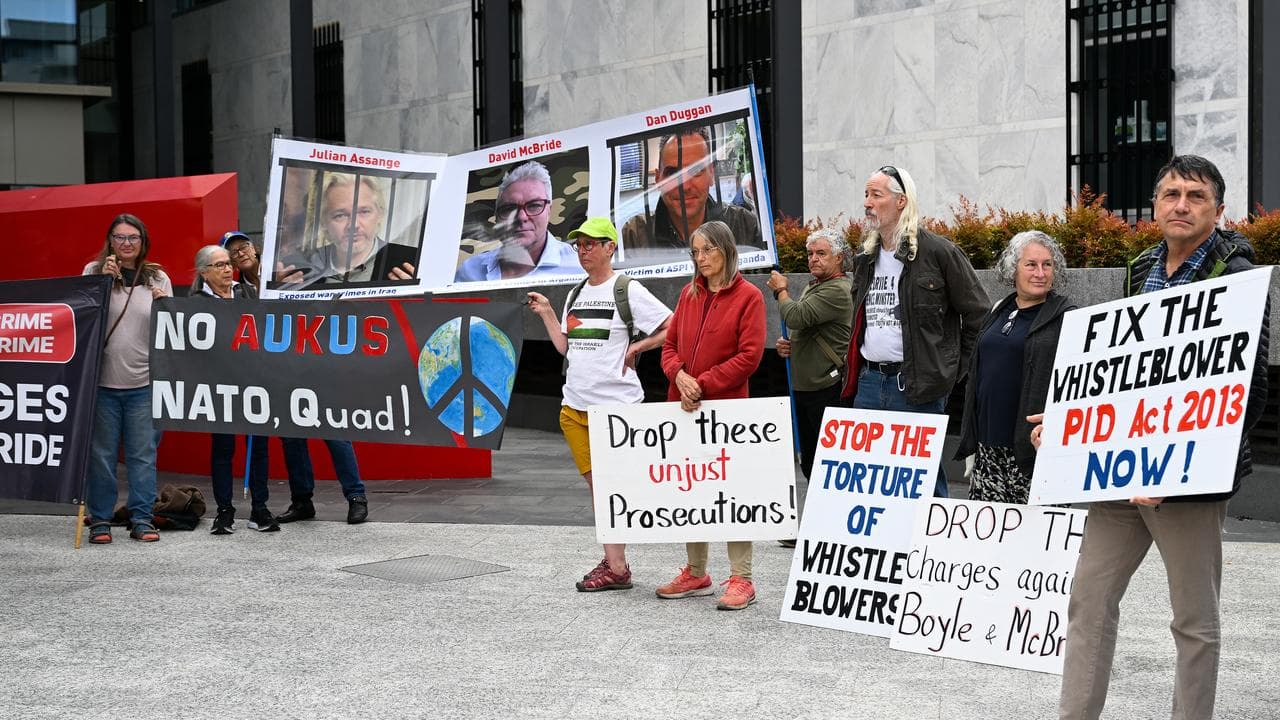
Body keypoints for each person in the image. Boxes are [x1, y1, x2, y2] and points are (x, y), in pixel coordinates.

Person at [1043, 155, 1269, 720]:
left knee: (1193, 621)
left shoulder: (1236, 273)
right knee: (1088, 603)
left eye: (1195, 196)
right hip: (1120, 475)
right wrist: (1069, 424)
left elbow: (1251, 387)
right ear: (1154, 206)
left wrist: (1184, 468)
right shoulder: (1140, 267)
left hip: (1187, 483)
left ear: (1218, 210)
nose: (1181, 205)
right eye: (1171, 194)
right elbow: (1122, 376)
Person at [526, 217, 672, 592]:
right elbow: (565, 347)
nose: (584, 250)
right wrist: (546, 312)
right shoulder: (575, 294)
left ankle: (617, 566)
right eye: (579, 245)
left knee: (610, 488)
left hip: (616, 410)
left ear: (611, 248)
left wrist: (639, 346)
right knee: (600, 489)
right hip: (574, 409)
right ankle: (616, 564)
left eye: (592, 243)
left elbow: (673, 326)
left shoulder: (627, 289)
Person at [846, 165, 989, 497]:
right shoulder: (865, 258)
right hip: (868, 384)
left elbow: (979, 314)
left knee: (921, 477)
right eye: (866, 195)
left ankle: (932, 549)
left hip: (917, 388)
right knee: (869, 478)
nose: (867, 203)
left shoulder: (939, 252)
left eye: (876, 195)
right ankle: (882, 548)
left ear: (901, 202)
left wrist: (950, 370)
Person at [221, 231, 371, 525]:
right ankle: (302, 501)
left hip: (314, 365)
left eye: (244, 246)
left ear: (255, 248)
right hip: (278, 373)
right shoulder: (238, 292)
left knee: (335, 431)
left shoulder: (285, 270)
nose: (240, 252)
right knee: (291, 438)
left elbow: (319, 305)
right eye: (232, 251)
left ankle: (356, 497)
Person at [656, 220, 766, 610]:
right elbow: (669, 347)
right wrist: (679, 376)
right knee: (692, 490)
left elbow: (750, 356)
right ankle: (696, 571)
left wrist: (701, 383)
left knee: (732, 493)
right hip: (684, 408)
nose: (701, 259)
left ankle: (742, 579)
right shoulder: (688, 295)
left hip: (726, 413)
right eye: (696, 252)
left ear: (726, 250)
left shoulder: (749, 296)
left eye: (708, 250)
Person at [953, 231, 1073, 505]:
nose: (1040, 273)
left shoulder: (1066, 317)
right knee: (988, 540)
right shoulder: (999, 309)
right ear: (1013, 268)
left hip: (1030, 453)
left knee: (1034, 540)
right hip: (988, 450)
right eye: (1031, 264)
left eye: (1048, 265)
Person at [82, 214, 173, 544]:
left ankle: (142, 518)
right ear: (109, 241)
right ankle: (101, 519)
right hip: (102, 383)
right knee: (101, 456)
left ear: (143, 242)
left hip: (144, 383)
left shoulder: (157, 276)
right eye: (119, 238)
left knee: (143, 455)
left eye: (133, 238)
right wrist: (103, 283)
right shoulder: (93, 273)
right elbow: (87, 319)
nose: (126, 244)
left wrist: (168, 305)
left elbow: (170, 330)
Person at [191, 244, 278, 534]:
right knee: (223, 449)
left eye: (228, 263)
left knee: (259, 448)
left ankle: (260, 509)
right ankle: (225, 511)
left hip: (254, 382)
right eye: (219, 265)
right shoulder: (195, 301)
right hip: (219, 386)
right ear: (204, 272)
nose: (228, 269)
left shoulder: (247, 292)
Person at [766, 227, 853, 480]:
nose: (813, 258)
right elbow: (805, 326)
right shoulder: (816, 286)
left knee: (825, 466)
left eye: (821, 253)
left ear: (839, 258)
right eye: (811, 253)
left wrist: (781, 290)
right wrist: (791, 344)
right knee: (811, 463)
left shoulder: (837, 289)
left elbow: (796, 316)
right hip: (807, 388)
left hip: (827, 388)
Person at [621, 127, 762, 255]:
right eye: (672, 173)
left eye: (696, 171)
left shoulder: (744, 226)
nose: (685, 187)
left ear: (711, 174)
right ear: (658, 179)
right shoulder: (633, 236)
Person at [454, 161, 580, 282]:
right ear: (497, 217)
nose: (521, 217)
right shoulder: (470, 272)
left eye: (534, 205)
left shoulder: (580, 268)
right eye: (509, 209)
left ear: (549, 211)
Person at [303, 173, 418, 285]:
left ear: (380, 214)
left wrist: (416, 299)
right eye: (340, 215)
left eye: (364, 212)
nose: (353, 225)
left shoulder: (414, 263)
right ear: (323, 222)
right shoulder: (301, 267)